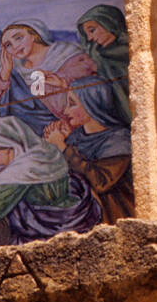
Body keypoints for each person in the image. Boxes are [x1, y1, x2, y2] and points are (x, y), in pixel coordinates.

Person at [0, 116, 101, 257]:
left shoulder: (25, 168)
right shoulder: (47, 153)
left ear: (13, 145)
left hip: (44, 239)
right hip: (73, 226)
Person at [0, 19, 96, 134]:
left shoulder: (65, 53)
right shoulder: (14, 68)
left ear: (34, 34)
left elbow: (88, 91)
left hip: (67, 122)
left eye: (18, 38)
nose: (14, 46)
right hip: (29, 129)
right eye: (8, 45)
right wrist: (4, 75)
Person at [42, 77, 134, 224]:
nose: (65, 110)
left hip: (109, 217)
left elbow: (100, 182)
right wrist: (57, 145)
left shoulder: (118, 139)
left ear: (91, 105)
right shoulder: (75, 137)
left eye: (72, 104)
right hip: (78, 214)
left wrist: (62, 147)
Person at [76, 4, 131, 124]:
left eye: (92, 30)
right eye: (87, 34)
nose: (90, 38)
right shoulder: (98, 58)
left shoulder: (134, 49)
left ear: (108, 23)